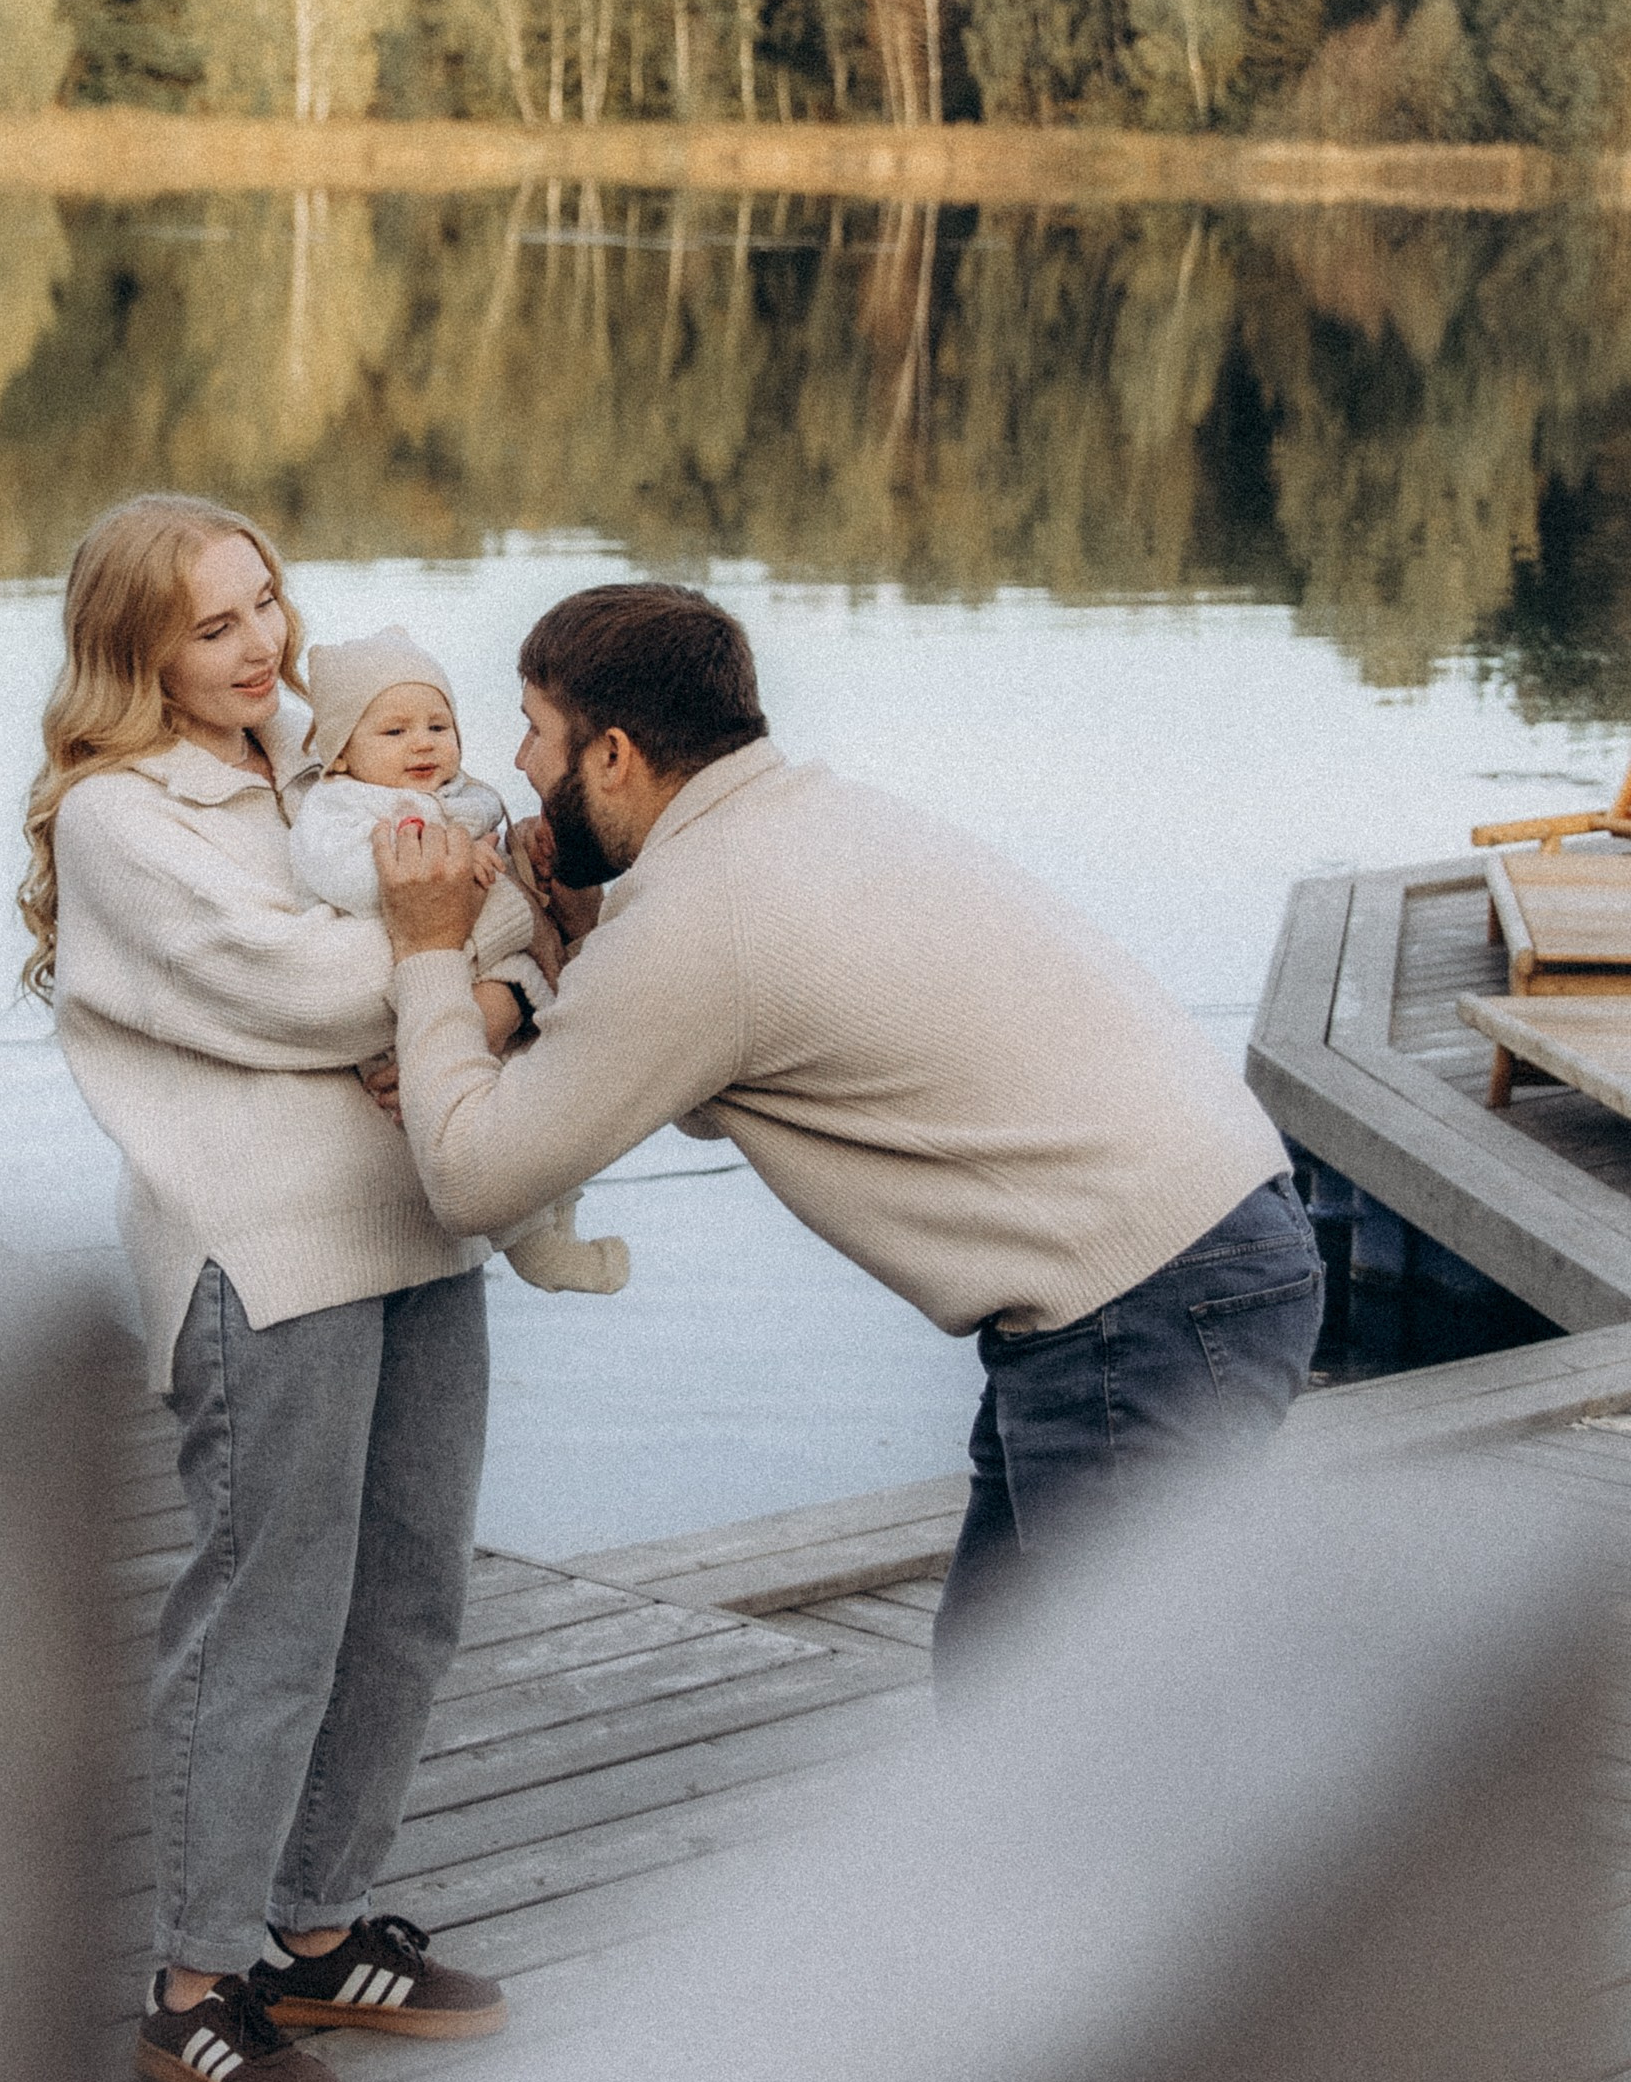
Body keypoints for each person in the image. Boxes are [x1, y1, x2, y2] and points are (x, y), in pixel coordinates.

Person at [368, 579, 1323, 1668]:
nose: (519, 766)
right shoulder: (806, 818)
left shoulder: (700, 915)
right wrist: (589, 945)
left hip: (1144, 1301)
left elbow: (475, 1179)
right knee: (1003, 1693)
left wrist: (428, 950)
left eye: (536, 732)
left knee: (1093, 1745)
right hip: (1206, 1244)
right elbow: (731, 1063)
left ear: (615, 755)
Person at [21, 494, 513, 2082]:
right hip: (267, 1251)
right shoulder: (121, 815)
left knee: (415, 1585)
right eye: (215, 622)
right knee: (268, 1606)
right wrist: (441, 952)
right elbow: (298, 988)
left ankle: (312, 1924)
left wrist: (474, 957)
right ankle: (194, 1977)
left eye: (266, 603)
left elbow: (501, 896)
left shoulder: (328, 753)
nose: (262, 644)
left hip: (422, 1218)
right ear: (137, 646)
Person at [290, 623, 627, 1297]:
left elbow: (503, 881)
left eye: (438, 725)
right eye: (393, 732)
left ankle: (562, 1206)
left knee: (544, 1098)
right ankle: (533, 1244)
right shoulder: (337, 810)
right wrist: (440, 851)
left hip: (491, 978)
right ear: (342, 755)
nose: (422, 742)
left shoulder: (467, 798)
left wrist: (531, 860)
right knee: (486, 1128)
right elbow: (356, 881)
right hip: (409, 998)